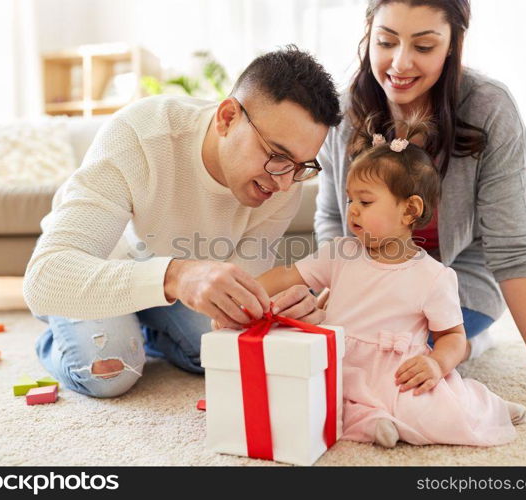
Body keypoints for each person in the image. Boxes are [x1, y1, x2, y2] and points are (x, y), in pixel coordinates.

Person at [314, 0, 526, 408]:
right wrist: (337, 283)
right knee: (338, 344)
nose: (400, 62)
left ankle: (462, 341)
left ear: (452, 45)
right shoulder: (345, 112)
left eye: (423, 47)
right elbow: (333, 216)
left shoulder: (490, 109)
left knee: (392, 352)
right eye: (386, 41)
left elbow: (513, 250)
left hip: (457, 279)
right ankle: (459, 345)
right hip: (372, 275)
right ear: (368, 33)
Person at [23, 46, 341, 398]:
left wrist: (283, 310)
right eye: (277, 156)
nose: (283, 182)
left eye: (301, 166)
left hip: (176, 287)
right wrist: (176, 275)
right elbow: (43, 280)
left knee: (223, 353)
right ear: (227, 118)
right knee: (110, 373)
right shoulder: (138, 135)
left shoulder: (284, 184)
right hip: (102, 269)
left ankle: (147, 328)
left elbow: (241, 294)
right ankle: (62, 332)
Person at [256, 117, 526, 447]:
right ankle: (373, 423)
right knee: (316, 402)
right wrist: (247, 291)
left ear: (410, 210)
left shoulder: (434, 277)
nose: (353, 211)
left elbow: (452, 337)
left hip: (395, 372)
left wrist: (435, 362)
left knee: (436, 413)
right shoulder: (340, 252)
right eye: (350, 200)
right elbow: (287, 275)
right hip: (338, 362)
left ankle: (484, 407)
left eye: (365, 202)